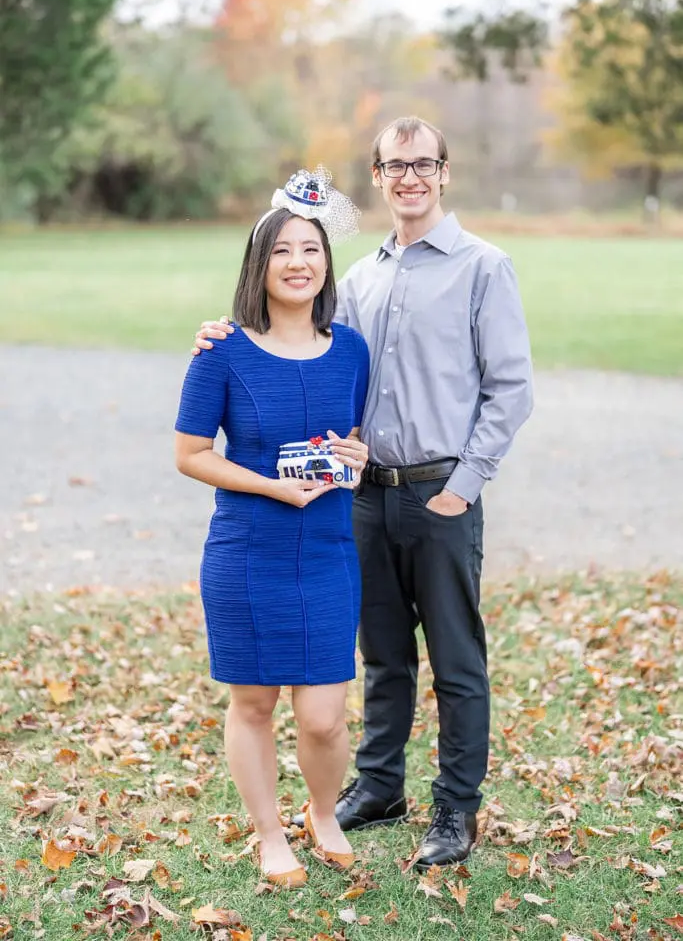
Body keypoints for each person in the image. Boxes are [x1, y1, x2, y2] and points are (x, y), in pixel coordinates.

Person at [193, 117, 534, 869]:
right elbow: (302, 355)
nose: (408, 177)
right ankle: (378, 787)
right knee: (382, 658)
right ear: (375, 178)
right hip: (359, 500)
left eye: (422, 163)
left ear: (443, 172)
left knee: (455, 660)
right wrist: (223, 332)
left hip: (439, 491)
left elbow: (510, 390)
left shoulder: (483, 266)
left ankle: (454, 809)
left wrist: (463, 487)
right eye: (393, 165)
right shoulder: (361, 279)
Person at [175, 168, 370, 888]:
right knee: (252, 702)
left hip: (326, 550)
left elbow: (345, 440)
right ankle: (267, 834)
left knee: (323, 716)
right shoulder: (220, 350)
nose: (298, 262)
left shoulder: (350, 349)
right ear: (260, 265)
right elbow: (190, 456)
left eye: (311, 250)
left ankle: (322, 812)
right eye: (283, 250)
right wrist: (270, 488)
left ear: (326, 264)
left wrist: (356, 454)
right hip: (247, 548)